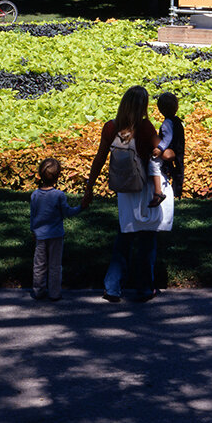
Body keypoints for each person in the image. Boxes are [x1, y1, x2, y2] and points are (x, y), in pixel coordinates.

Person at [82, 86, 169, 302]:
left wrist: (90, 187)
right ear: (143, 106)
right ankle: (145, 289)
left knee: (124, 237)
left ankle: (112, 288)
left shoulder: (110, 127)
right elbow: (164, 153)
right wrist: (171, 147)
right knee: (147, 239)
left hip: (124, 190)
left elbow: (100, 159)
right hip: (144, 188)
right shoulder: (145, 127)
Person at [29, 157, 82, 301]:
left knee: (39, 264)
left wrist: (32, 230)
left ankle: (39, 291)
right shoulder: (59, 195)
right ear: (58, 176)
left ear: (40, 174)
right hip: (56, 236)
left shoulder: (35, 195)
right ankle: (54, 293)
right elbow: (67, 212)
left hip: (40, 236)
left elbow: (32, 215)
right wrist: (81, 207)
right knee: (54, 265)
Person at [149, 91, 184, 206]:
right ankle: (176, 190)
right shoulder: (177, 121)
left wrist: (160, 147)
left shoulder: (167, 123)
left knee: (153, 163)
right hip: (177, 150)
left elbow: (168, 138)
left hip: (169, 150)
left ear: (160, 109)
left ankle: (158, 191)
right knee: (178, 169)